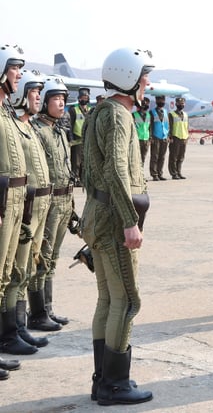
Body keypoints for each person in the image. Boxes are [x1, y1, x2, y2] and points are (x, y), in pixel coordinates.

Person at [81, 47, 153, 405]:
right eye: (143, 78)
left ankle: (103, 381)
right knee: (126, 301)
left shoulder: (99, 111)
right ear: (129, 79)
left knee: (108, 299)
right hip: (113, 220)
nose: (147, 84)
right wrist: (129, 221)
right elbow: (116, 170)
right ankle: (115, 384)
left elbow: (89, 171)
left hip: (98, 213)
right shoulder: (119, 116)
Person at [1, 70, 52, 355]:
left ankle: (16, 328)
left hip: (28, 202)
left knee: (22, 270)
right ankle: (10, 333)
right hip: (15, 204)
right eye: (34, 92)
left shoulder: (25, 127)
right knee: (10, 272)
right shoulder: (10, 123)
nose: (38, 97)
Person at [28, 77, 73, 332]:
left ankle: (48, 308)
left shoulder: (60, 131)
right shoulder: (38, 131)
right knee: (42, 257)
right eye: (56, 98)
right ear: (45, 102)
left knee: (53, 258)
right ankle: (37, 313)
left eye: (63, 99)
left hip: (65, 200)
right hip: (49, 200)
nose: (61, 103)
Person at [0, 45, 29, 378]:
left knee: (5, 275)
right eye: (13, 68)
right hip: (3, 200)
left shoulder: (5, 111)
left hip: (14, 199)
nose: (19, 74)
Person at [67, 87, 92, 186]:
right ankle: (75, 178)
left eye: (86, 97)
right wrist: (71, 138)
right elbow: (70, 125)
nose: (84, 99)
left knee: (85, 161)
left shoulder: (90, 110)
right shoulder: (74, 110)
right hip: (77, 139)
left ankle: (83, 179)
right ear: (79, 98)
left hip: (87, 139)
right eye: (82, 97)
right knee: (76, 161)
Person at [148, 95, 169, 181]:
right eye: (159, 100)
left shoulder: (165, 112)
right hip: (155, 136)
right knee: (154, 156)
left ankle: (160, 173)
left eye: (163, 101)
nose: (161, 102)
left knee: (162, 156)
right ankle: (154, 174)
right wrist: (150, 136)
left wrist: (168, 135)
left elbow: (167, 124)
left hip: (164, 137)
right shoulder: (152, 112)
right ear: (156, 101)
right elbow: (150, 125)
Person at [167, 96, 189, 179]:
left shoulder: (186, 115)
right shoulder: (172, 114)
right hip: (175, 138)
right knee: (173, 157)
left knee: (181, 157)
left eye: (182, 103)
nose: (181, 105)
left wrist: (187, 137)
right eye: (179, 103)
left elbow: (186, 127)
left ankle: (179, 172)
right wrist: (170, 137)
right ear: (176, 104)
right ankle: (174, 173)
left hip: (184, 138)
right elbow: (170, 126)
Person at [132, 97, 151, 166]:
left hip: (146, 139)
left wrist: (150, 138)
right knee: (135, 157)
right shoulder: (134, 115)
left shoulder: (149, 115)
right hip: (137, 139)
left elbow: (149, 127)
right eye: (145, 104)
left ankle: (141, 171)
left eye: (147, 104)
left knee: (143, 158)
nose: (146, 105)